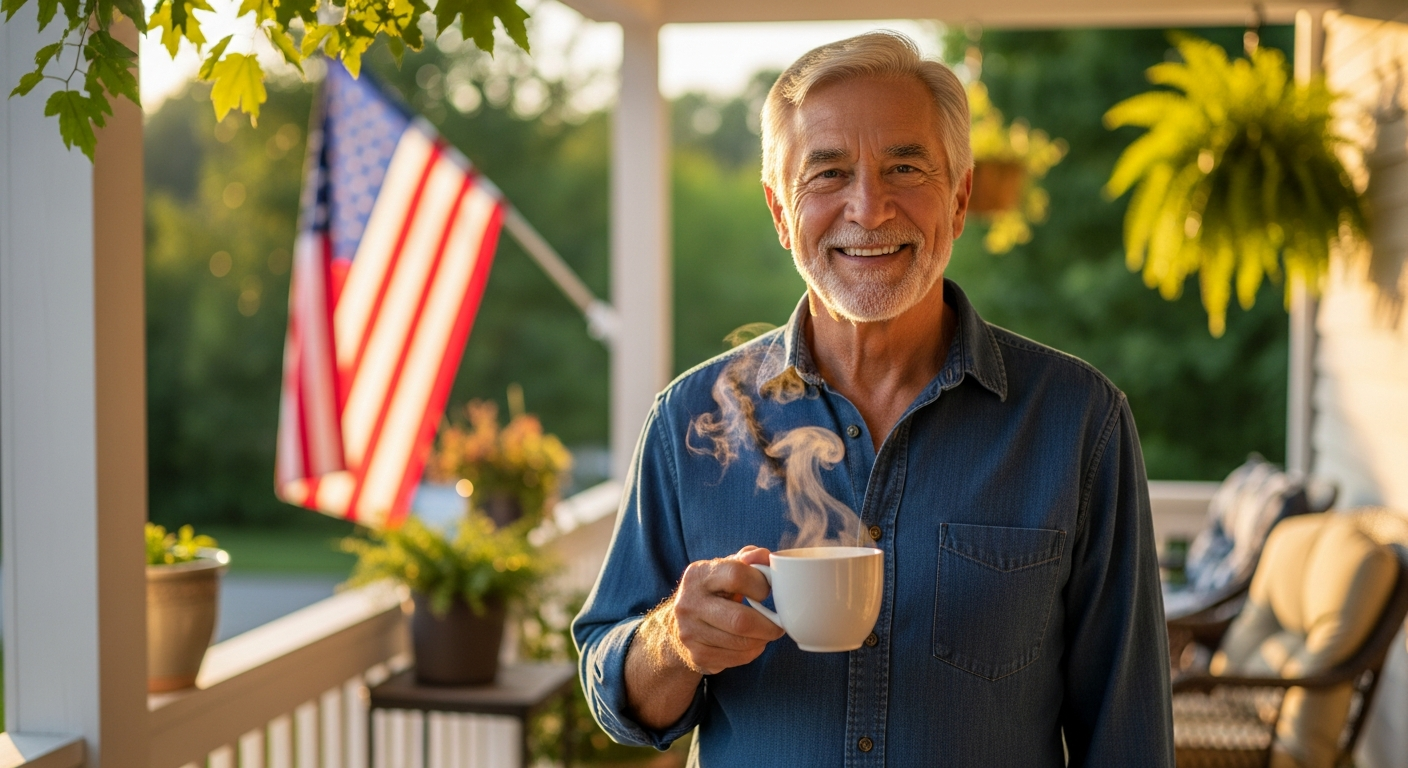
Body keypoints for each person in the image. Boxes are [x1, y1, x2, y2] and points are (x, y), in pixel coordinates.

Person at [573, 31, 1174, 766]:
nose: (869, 206)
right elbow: (616, 694)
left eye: (906, 167)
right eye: (826, 173)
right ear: (778, 212)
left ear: (957, 200)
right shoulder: (687, 420)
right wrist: (673, 642)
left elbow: (1129, 732)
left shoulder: (1079, 422)